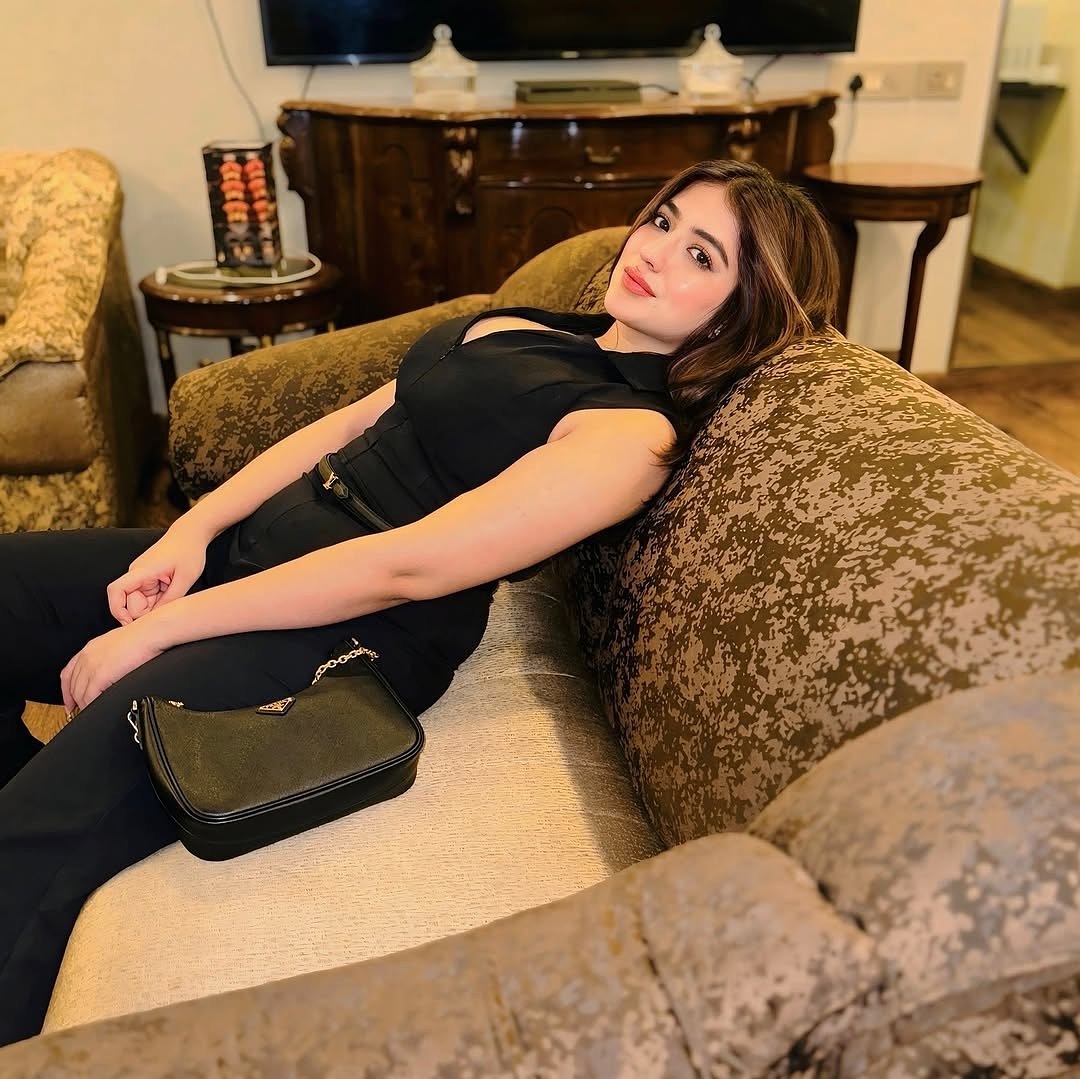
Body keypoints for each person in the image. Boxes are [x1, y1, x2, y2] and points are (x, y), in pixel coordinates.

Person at [0, 159, 838, 1045]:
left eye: (703, 256)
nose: (656, 251)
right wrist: (192, 530)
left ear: (738, 314)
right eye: (664, 221)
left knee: (35, 834)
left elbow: (408, 568)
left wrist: (164, 628)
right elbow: (349, 424)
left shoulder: (629, 435)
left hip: (345, 631)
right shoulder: (547, 327)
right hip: (257, 553)